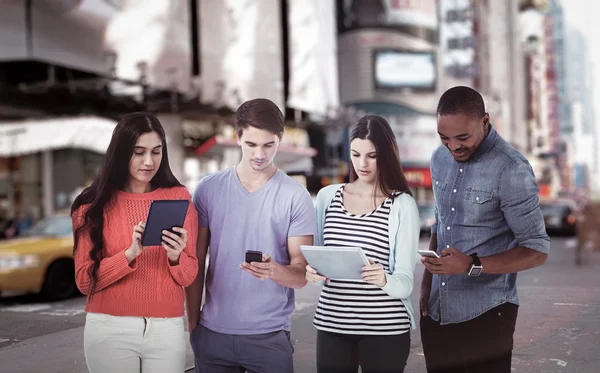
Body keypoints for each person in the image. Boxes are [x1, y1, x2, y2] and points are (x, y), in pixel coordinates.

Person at [420, 86, 549, 373]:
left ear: (485, 121)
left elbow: (537, 250)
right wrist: (426, 284)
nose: (453, 147)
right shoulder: (438, 159)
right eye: (444, 138)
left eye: (462, 137)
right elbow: (440, 223)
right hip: (438, 311)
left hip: (488, 314)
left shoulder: (510, 168)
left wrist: (471, 265)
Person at [186, 98, 317, 373]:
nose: (260, 154)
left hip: (269, 339)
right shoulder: (208, 190)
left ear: (280, 139)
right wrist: (193, 325)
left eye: (269, 145)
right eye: (251, 144)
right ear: (238, 137)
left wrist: (273, 271)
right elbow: (195, 262)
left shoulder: (296, 196)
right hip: (212, 337)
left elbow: (301, 274)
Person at [71, 112, 199, 373]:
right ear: (121, 152)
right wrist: (129, 254)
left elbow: (188, 276)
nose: (149, 161)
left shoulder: (179, 196)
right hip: (109, 328)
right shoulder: (91, 206)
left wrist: (176, 257)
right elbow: (84, 281)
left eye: (156, 151)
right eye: (138, 152)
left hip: (167, 328)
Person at [306, 115, 420, 373]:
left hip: (385, 330)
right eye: (356, 155)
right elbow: (319, 258)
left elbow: (404, 283)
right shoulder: (327, 197)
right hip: (332, 325)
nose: (362, 164)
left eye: (372, 155)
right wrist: (313, 272)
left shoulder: (401, 204)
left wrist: (383, 279)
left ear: (387, 156)